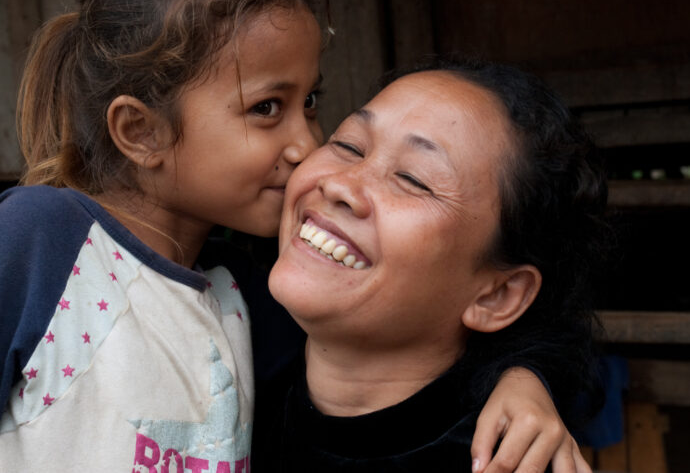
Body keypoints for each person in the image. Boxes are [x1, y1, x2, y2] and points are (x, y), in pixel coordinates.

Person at [0, 0, 584, 472]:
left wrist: (524, 378)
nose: (306, 145)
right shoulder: (42, 239)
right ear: (142, 132)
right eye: (266, 109)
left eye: (311, 104)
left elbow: (518, 330)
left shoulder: (241, 298)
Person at [256, 58, 608, 471]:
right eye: (348, 145)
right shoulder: (228, 349)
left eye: (414, 180)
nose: (339, 184)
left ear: (497, 295)